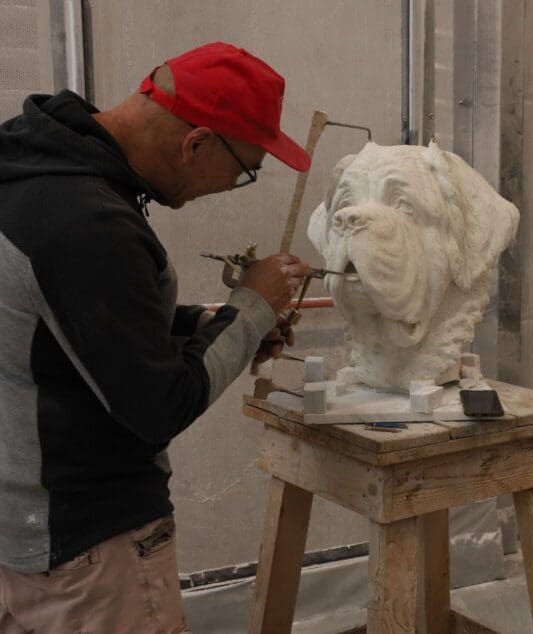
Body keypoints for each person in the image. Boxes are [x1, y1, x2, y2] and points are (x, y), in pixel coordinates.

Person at [0, 42, 312, 633]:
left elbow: (74, 327)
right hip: (89, 552)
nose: (229, 187)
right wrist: (251, 308)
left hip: (23, 527)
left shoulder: (32, 164)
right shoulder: (88, 220)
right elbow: (158, 404)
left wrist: (213, 325)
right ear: (195, 143)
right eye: (244, 171)